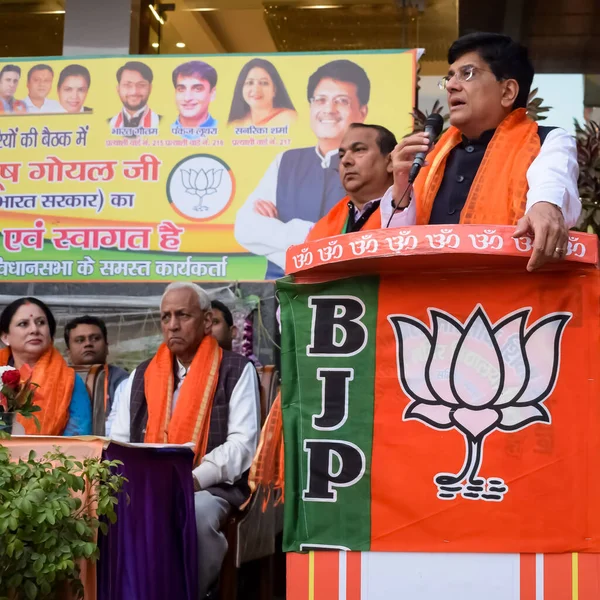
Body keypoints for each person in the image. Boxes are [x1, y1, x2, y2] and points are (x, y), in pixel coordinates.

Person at [111, 282, 260, 597]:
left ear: (207, 321)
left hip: (208, 486)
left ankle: (191, 592)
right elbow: (119, 442)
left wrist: (190, 479)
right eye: (166, 317)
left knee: (196, 513)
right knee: (107, 510)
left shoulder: (236, 369)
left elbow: (241, 445)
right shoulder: (141, 375)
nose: (173, 325)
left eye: (183, 315)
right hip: (145, 483)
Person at [390, 32, 581, 271]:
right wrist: (400, 188)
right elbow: (396, 246)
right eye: (449, 78)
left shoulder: (545, 141)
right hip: (427, 298)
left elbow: (552, 182)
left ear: (508, 92)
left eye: (467, 73)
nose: (451, 85)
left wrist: (545, 206)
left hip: (511, 300)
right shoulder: (432, 156)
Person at [234, 59, 370, 279]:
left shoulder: (373, 165)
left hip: (345, 291)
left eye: (341, 101)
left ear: (362, 112)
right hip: (284, 291)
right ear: (311, 106)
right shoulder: (286, 161)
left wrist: (282, 235)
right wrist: (311, 238)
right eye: (321, 100)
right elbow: (245, 227)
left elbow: (362, 239)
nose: (329, 110)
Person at [0, 297, 91, 436]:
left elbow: (78, 439)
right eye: (24, 324)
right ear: (5, 336)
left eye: (41, 322)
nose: (34, 330)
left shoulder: (68, 381)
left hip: (51, 456)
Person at [305, 123, 413, 240]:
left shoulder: (415, 209)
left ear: (390, 162)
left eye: (359, 150)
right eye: (341, 155)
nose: (345, 161)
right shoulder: (321, 229)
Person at [64, 315, 128, 436]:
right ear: (68, 352)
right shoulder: (58, 380)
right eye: (80, 340)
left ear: (107, 347)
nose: (88, 344)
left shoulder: (122, 381)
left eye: (95, 338)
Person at [228, 58, 296, 128]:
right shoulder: (236, 124)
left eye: (264, 83)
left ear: (274, 90)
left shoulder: (289, 119)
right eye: (250, 83)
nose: (256, 89)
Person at [109, 61, 160, 137]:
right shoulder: (109, 124)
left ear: (150, 88)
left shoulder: (160, 122)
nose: (134, 92)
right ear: (118, 88)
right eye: (127, 85)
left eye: (141, 85)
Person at [171, 60, 218, 140]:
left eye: (197, 89)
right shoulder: (161, 131)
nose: (187, 98)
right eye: (181, 89)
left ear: (212, 93)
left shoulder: (225, 132)